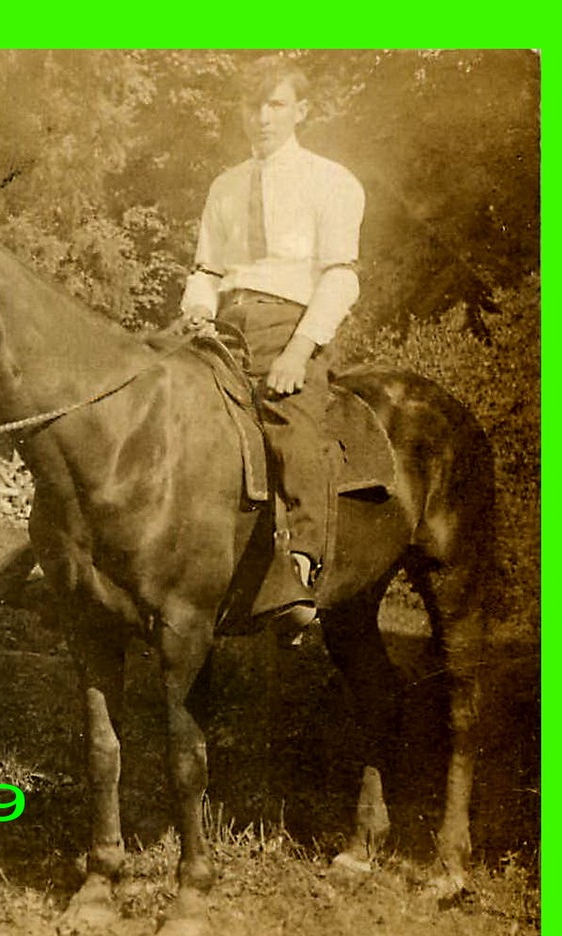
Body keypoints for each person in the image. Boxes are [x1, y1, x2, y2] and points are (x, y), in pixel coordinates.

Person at [180, 57, 366, 636]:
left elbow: (341, 277)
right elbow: (207, 268)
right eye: (252, 105)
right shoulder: (225, 184)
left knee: (293, 424)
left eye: (276, 105)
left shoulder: (331, 181)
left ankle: (302, 568)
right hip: (224, 324)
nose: (261, 118)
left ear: (301, 111)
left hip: (289, 324)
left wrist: (298, 351)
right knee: (144, 397)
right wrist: (196, 308)